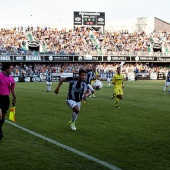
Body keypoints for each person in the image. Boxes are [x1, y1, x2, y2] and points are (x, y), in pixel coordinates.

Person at [0, 63, 16, 140]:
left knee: (3, 117)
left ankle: (0, 128)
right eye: (10, 69)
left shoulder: (11, 79)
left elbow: (12, 89)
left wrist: (14, 98)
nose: (11, 70)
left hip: (6, 99)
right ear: (6, 69)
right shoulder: (0, 76)